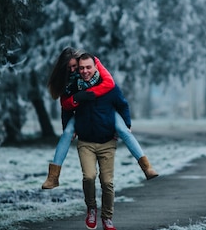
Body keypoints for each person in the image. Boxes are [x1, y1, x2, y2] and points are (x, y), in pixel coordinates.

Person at [41, 47, 158, 189]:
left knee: (124, 130)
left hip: (107, 111)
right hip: (82, 115)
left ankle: (146, 167)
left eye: (75, 66)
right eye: (69, 67)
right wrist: (75, 103)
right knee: (66, 134)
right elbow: (65, 107)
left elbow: (116, 94)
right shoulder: (69, 83)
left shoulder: (96, 73)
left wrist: (127, 123)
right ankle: (53, 177)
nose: (73, 70)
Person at [64, 52, 130, 230]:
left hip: (107, 142)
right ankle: (91, 208)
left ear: (95, 67)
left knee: (107, 182)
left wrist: (126, 126)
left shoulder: (109, 88)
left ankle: (107, 218)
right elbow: (66, 108)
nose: (85, 71)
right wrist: (67, 129)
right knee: (89, 176)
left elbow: (123, 105)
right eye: (81, 68)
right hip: (85, 142)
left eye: (88, 67)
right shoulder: (76, 87)